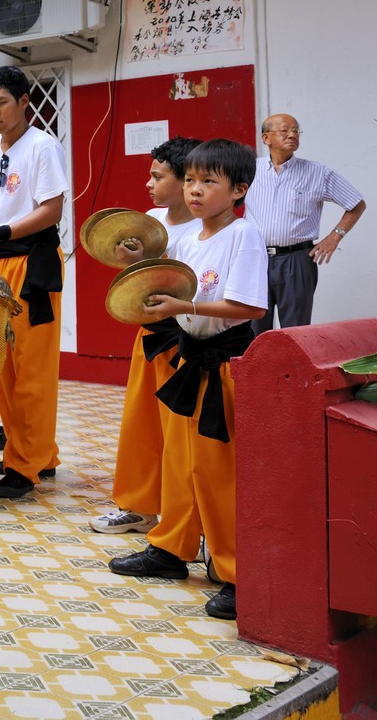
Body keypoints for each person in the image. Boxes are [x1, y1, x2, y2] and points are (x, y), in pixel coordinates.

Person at [108, 138, 267, 622]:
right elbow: (154, 284)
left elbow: (249, 308)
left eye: (208, 181)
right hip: (186, 358)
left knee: (219, 472)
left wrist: (186, 307)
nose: (195, 191)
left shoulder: (244, 236)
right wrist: (133, 255)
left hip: (223, 365)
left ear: (238, 189)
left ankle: (239, 573)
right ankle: (171, 550)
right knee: (179, 463)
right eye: (192, 180)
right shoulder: (183, 239)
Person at [0, 67, 69, 499]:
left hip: (33, 263)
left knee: (33, 371)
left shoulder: (43, 147)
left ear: (24, 102)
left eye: (1, 102)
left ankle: (25, 468)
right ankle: (39, 453)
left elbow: (52, 210)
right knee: (4, 367)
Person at [88, 136, 201, 537]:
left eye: (157, 176)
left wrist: (149, 266)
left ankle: (183, 514)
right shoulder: (150, 222)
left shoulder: (206, 230)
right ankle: (138, 506)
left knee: (180, 432)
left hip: (186, 341)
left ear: (187, 180)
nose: (148, 185)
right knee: (141, 424)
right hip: (148, 334)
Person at [245, 113, 365, 334]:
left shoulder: (317, 173)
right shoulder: (248, 170)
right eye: (284, 130)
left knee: (296, 331)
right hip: (255, 258)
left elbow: (356, 204)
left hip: (296, 261)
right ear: (266, 138)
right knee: (253, 329)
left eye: (296, 131)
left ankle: (291, 370)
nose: (292, 134)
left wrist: (335, 236)